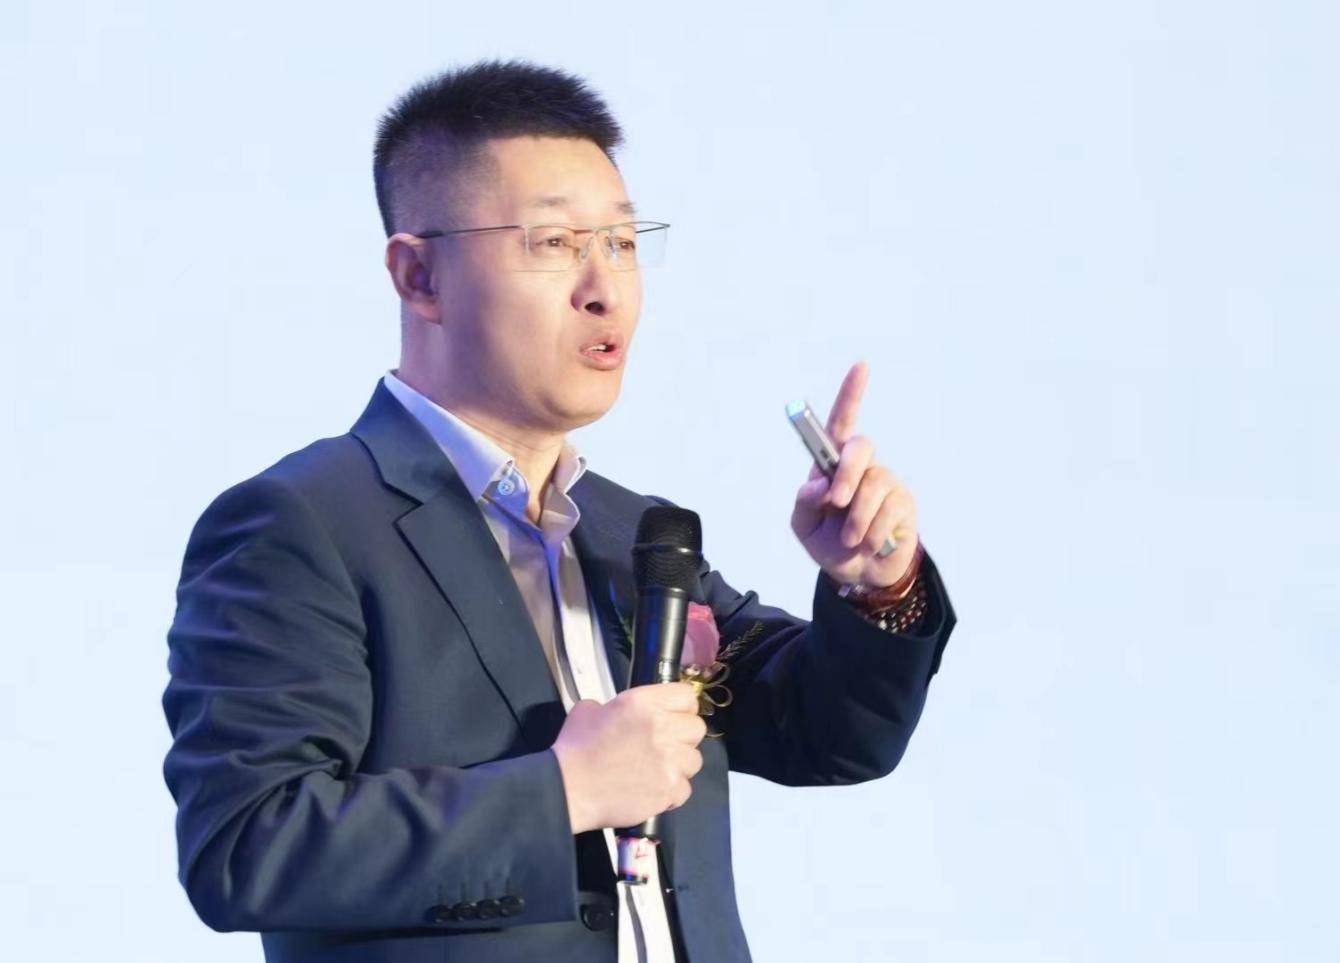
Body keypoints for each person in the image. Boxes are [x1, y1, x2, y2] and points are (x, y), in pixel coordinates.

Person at [160, 58, 957, 963]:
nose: (604, 286)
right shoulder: (302, 524)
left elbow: (828, 732)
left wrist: (877, 585)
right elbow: (248, 846)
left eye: (621, 241)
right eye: (553, 243)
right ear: (419, 276)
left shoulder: (634, 535)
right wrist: (565, 790)